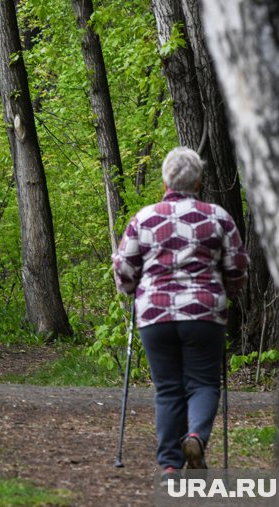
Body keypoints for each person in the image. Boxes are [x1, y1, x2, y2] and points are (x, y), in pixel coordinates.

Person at [112, 147, 248, 481]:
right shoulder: (218, 217)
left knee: (168, 387)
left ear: (164, 180)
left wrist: (131, 290)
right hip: (204, 311)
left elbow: (125, 268)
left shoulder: (144, 218)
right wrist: (226, 292)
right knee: (203, 383)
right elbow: (237, 268)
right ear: (199, 180)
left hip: (155, 314)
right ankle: (195, 437)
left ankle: (170, 464)